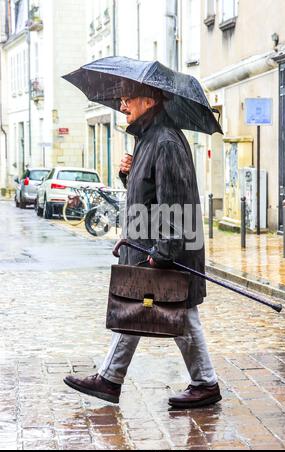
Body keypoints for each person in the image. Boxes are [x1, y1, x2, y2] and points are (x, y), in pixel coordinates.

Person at [64, 86, 222, 408]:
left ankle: (204, 384)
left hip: (162, 249)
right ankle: (111, 379)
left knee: (178, 312)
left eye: (128, 99)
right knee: (138, 309)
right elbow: (149, 195)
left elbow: (174, 201)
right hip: (148, 245)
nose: (122, 106)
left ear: (149, 102)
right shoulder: (150, 139)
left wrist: (164, 252)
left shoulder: (164, 142)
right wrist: (129, 173)